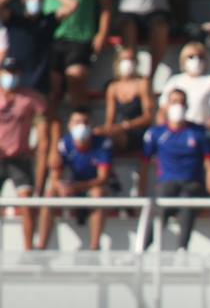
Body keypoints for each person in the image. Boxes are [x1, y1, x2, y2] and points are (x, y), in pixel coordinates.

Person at [36, 0, 112, 111]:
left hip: (80, 36)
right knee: (51, 88)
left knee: (76, 80)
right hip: (52, 36)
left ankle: (81, 127)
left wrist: (102, 33)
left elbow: (106, 7)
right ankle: (53, 135)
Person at [141, 88, 210, 250]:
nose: (178, 106)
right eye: (174, 102)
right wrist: (141, 192)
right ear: (167, 106)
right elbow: (144, 164)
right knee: (161, 199)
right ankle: (143, 248)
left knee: (187, 200)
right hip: (167, 183)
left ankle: (182, 248)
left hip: (192, 183)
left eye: (182, 102)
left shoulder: (200, 132)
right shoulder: (157, 133)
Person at [37, 106, 115, 251]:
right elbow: (55, 177)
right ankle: (41, 246)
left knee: (98, 193)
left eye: (85, 122)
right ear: (70, 125)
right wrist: (61, 186)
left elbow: (102, 178)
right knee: (50, 193)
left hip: (91, 186)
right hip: (73, 187)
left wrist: (76, 187)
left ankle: (94, 247)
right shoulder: (64, 144)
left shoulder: (103, 144)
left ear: (91, 124)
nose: (81, 126)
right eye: (77, 122)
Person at [0, 58, 47, 251]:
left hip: (19, 158)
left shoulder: (31, 99)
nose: (10, 76)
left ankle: (28, 249)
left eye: (14, 72)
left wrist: (40, 149)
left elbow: (43, 129)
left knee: (26, 202)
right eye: (7, 71)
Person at [0, 0, 78, 93]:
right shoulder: (14, 20)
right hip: (14, 78)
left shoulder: (48, 21)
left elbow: (73, 4)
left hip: (39, 82)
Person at [159, 42, 210, 131]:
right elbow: (163, 109)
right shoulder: (174, 81)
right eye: (191, 57)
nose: (196, 60)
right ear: (183, 59)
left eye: (200, 57)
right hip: (175, 134)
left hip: (199, 134)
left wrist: (202, 132)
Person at [101, 47, 156, 153]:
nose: (127, 63)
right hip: (122, 131)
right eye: (124, 59)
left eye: (131, 59)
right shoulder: (113, 87)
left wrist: (126, 125)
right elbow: (109, 120)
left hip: (140, 130)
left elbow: (148, 117)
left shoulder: (142, 83)